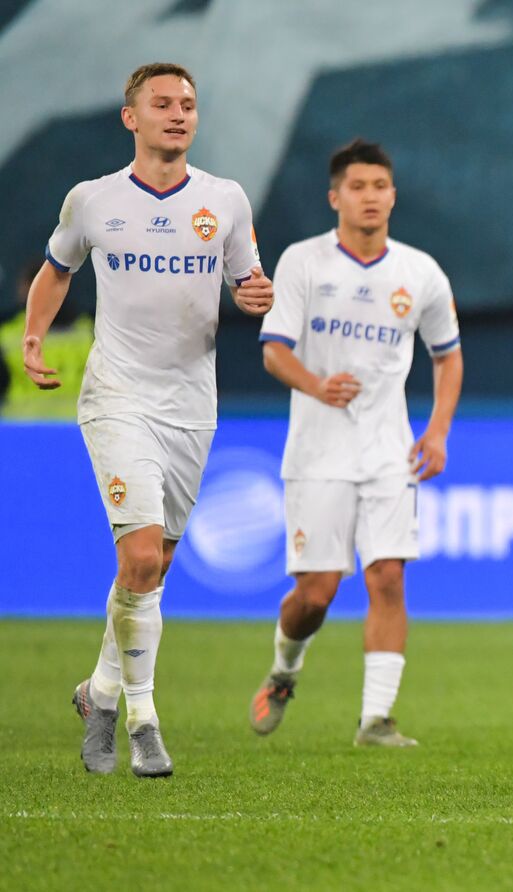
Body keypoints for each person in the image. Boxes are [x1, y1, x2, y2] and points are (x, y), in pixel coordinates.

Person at [24, 63, 273, 777]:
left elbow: (247, 281)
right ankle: (142, 721)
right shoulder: (94, 200)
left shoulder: (223, 200)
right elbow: (56, 268)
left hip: (192, 404)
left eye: (189, 104)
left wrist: (258, 296)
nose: (179, 113)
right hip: (118, 395)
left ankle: (98, 690)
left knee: (154, 566)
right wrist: (36, 335)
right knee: (137, 558)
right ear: (130, 116)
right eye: (162, 103)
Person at [248, 139, 462, 748]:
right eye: (358, 187)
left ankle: (376, 720)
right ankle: (285, 669)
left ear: (393, 195)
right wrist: (318, 385)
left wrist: (438, 430)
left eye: (380, 186)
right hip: (318, 452)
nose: (370, 197)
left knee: (387, 578)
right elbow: (273, 351)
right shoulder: (303, 262)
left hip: (389, 450)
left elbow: (447, 357)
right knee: (315, 594)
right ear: (335, 197)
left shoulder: (419, 272)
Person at [1, 257, 93, 418]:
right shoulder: (89, 331)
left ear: (30, 288)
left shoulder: (7, 334)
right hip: (76, 426)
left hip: (21, 429)